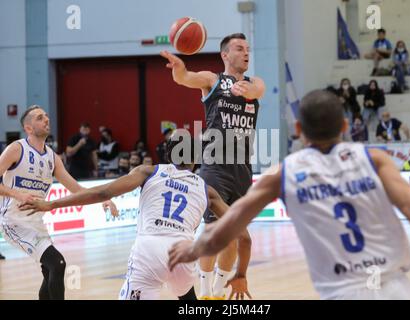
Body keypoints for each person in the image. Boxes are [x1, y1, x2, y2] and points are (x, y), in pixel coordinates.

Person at [168, 90, 410, 300]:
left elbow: (230, 224)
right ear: (344, 126)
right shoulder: (374, 159)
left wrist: (192, 249)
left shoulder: (284, 174)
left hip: (340, 292)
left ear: (299, 130)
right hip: (396, 288)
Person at [21, 134, 252, 301]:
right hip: (184, 254)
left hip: (149, 250)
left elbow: (102, 192)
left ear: (168, 154)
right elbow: (244, 238)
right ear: (196, 159)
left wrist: (51, 204)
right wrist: (240, 274)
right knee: (187, 296)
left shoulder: (148, 171)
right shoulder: (207, 190)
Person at [161, 32, 265, 299]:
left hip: (242, 170)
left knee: (232, 234)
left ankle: (219, 289)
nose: (246, 53)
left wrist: (248, 90)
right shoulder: (212, 80)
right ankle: (205, 289)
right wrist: (180, 70)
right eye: (239, 48)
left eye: (247, 49)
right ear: (225, 55)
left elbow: (258, 90)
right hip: (214, 166)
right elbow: (185, 79)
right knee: (212, 229)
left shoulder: (255, 83)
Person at [0, 105, 117, 300]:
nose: (46, 119)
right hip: (13, 222)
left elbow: (76, 189)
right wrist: (18, 195)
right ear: (28, 128)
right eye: (39, 118)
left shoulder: (53, 158)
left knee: (50, 272)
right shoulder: (16, 149)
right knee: (58, 264)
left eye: (46, 116)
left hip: (37, 224)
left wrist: (102, 199)